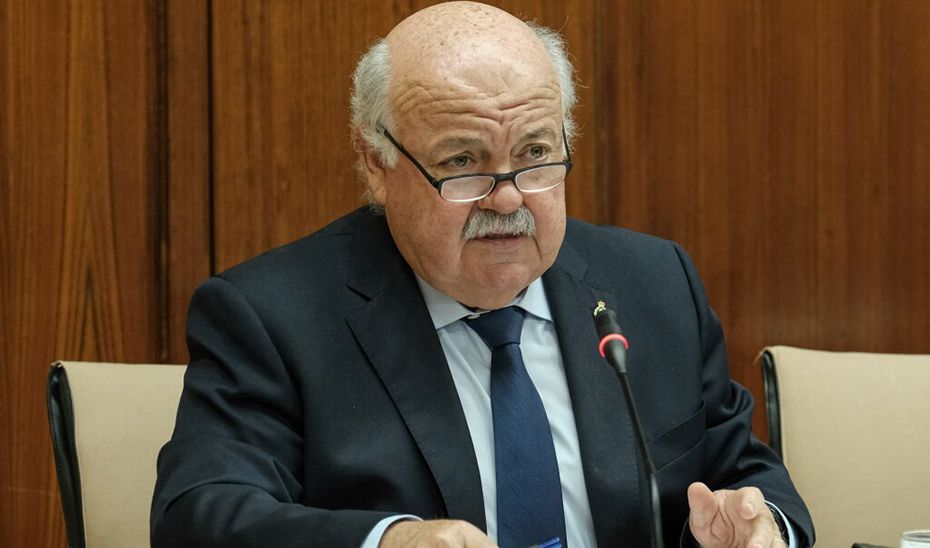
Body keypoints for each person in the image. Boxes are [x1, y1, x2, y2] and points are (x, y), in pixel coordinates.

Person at [151, 3, 814, 548]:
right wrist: (387, 542)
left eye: (534, 154)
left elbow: (747, 476)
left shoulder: (653, 283)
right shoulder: (272, 316)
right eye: (464, 162)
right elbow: (200, 516)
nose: (507, 199)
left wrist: (761, 527)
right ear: (376, 163)